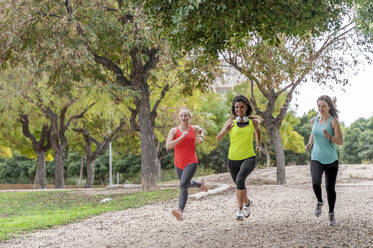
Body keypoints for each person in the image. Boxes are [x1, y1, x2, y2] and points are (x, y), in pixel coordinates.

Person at [216, 95, 262, 221]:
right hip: (232, 160)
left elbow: (258, 132)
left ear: (247, 108)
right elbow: (218, 138)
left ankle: (239, 210)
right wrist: (225, 129)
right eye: (236, 107)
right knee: (239, 185)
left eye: (242, 107)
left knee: (240, 180)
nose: (239, 110)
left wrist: (258, 145)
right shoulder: (230, 122)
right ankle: (247, 202)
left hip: (249, 157)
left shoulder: (253, 122)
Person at [305, 95, 343, 226]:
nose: (321, 108)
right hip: (316, 157)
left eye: (324, 106)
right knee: (315, 183)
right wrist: (309, 144)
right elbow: (313, 133)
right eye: (319, 106)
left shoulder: (333, 121)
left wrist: (330, 137)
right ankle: (320, 202)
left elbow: (340, 141)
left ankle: (331, 213)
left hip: (331, 159)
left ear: (329, 107)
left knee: (329, 188)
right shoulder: (313, 120)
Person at [166, 108, 208, 221]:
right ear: (179, 118)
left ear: (189, 117)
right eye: (181, 116)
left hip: (191, 161)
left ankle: (180, 211)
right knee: (187, 183)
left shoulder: (193, 128)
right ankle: (200, 184)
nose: (184, 117)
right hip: (178, 163)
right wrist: (181, 136)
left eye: (186, 115)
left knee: (183, 185)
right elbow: (168, 146)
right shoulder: (174, 131)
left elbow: (201, 130)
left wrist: (201, 137)